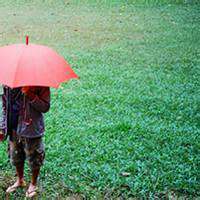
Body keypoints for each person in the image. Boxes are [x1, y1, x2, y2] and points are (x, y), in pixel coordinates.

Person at [0, 85, 50, 198]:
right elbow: (5, 105)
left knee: (34, 157)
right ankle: (20, 180)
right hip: (13, 127)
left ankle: (33, 184)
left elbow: (45, 107)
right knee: (15, 156)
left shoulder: (39, 83)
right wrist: (3, 126)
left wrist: (30, 94)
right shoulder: (9, 82)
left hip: (31, 129)